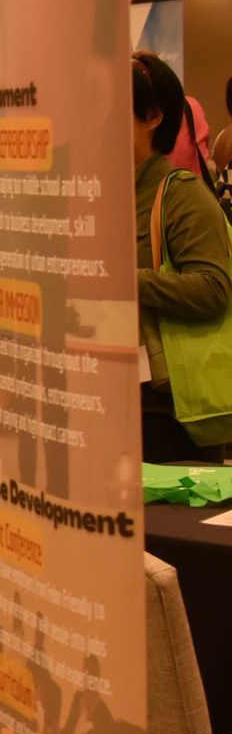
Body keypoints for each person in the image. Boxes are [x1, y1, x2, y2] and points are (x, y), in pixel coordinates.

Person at [133, 51, 231, 462]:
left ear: (153, 117)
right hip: (110, 401)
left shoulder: (180, 193)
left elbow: (213, 288)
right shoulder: (97, 194)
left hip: (169, 413)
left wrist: (123, 279)